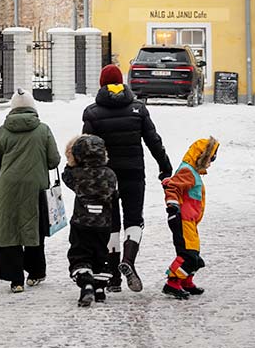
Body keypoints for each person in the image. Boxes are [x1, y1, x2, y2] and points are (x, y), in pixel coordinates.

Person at [82, 63, 172, 294]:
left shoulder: (92, 113)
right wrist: (165, 166)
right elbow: (153, 141)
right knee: (134, 219)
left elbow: (86, 148)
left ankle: (113, 277)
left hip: (106, 178)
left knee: (111, 223)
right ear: (121, 83)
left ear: (102, 84)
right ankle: (129, 261)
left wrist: (83, 176)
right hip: (133, 172)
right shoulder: (138, 109)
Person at [0, 88, 60, 293]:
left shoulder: (3, 131)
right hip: (35, 187)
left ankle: (16, 280)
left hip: (8, 187)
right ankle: (35, 273)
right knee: (34, 228)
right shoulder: (43, 129)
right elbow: (53, 160)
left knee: (9, 230)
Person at [61, 133, 117, 307]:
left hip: (82, 222)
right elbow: (114, 194)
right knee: (100, 254)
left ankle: (86, 284)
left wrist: (72, 163)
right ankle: (100, 288)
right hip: (103, 224)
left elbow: (66, 176)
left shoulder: (77, 174)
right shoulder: (110, 174)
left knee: (80, 254)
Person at [161, 136, 220, 300]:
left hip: (190, 221)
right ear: (201, 156)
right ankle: (172, 283)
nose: (211, 163)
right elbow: (173, 187)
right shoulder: (187, 171)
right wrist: (173, 206)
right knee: (188, 254)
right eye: (210, 158)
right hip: (182, 219)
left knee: (195, 254)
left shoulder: (192, 172)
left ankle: (186, 281)